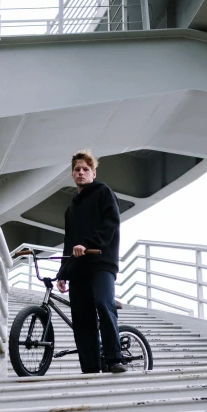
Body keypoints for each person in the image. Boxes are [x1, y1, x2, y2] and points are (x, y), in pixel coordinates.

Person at [56, 150, 127, 374]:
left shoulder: (103, 193)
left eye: (85, 169)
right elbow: (69, 242)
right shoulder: (71, 208)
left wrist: (88, 244)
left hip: (101, 262)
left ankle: (114, 359)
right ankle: (90, 367)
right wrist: (63, 272)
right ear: (72, 175)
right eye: (77, 169)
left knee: (103, 305)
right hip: (78, 268)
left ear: (93, 173)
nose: (81, 172)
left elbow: (111, 223)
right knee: (81, 317)